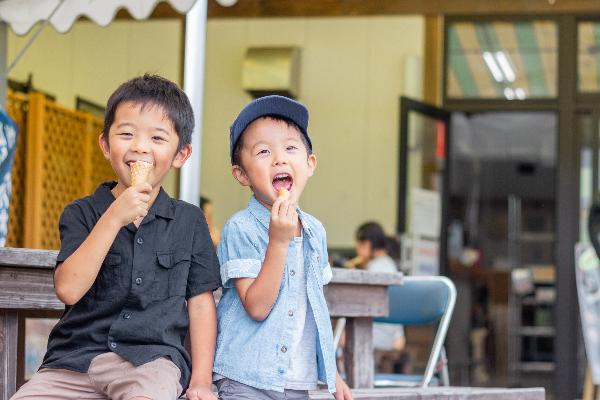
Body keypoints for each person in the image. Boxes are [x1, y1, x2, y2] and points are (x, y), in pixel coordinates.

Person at [11, 75, 222, 400]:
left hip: (150, 362)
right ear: (106, 145)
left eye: (157, 137)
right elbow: (68, 289)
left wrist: (202, 382)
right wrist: (114, 217)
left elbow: (201, 305)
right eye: (126, 134)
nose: (140, 146)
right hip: (74, 360)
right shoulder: (81, 213)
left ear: (181, 154)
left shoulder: (189, 221)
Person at [213, 95, 352, 400]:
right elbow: (257, 307)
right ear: (242, 174)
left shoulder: (315, 231)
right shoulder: (241, 228)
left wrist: (333, 373)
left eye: (291, 148)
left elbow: (316, 306)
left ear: (309, 163)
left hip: (295, 380)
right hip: (245, 376)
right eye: (263, 151)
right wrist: (279, 240)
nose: (280, 158)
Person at [354, 222, 407, 373]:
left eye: (358, 243)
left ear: (367, 243)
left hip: (375, 334)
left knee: (338, 334)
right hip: (394, 337)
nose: (356, 248)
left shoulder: (374, 270)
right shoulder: (392, 266)